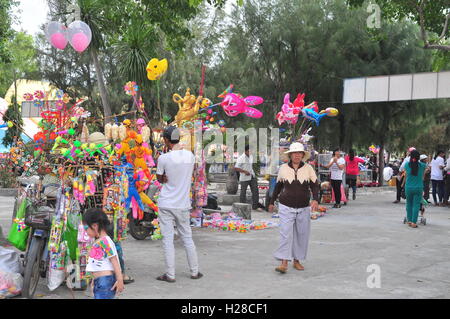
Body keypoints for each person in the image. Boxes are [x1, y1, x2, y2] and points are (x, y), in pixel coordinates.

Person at [156, 126, 202, 282]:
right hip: (183, 204)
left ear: (166, 140)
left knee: (167, 240)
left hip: (166, 203)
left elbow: (159, 179)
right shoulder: (189, 156)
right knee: (187, 238)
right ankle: (195, 272)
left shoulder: (163, 158)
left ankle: (170, 275)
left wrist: (165, 178)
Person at [268, 143, 319, 273]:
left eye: (299, 153)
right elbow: (278, 187)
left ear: (302, 155)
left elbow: (314, 185)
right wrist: (272, 201)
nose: (297, 155)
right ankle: (284, 262)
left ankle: (297, 260)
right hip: (286, 206)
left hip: (303, 207)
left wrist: (315, 199)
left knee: (301, 234)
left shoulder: (308, 168)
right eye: (294, 153)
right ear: (290, 155)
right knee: (285, 233)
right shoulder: (283, 168)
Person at [82, 208, 124, 299]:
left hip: (105, 281)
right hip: (101, 281)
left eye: (86, 228)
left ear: (95, 226)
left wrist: (120, 279)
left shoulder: (105, 241)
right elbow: (99, 263)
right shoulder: (100, 241)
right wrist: (94, 279)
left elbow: (114, 260)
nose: (86, 232)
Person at [235, 145, 261, 211]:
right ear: (246, 151)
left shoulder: (251, 156)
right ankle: (242, 207)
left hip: (252, 176)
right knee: (243, 192)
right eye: (250, 151)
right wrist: (244, 171)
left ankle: (255, 206)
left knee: (255, 191)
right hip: (244, 177)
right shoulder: (241, 158)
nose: (251, 152)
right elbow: (236, 167)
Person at [404, 150, 426, 228]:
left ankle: (409, 220)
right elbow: (424, 175)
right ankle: (414, 222)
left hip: (408, 187)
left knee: (409, 203)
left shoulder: (406, 165)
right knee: (416, 205)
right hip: (418, 187)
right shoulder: (423, 165)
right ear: (419, 157)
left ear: (410, 157)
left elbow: (406, 173)